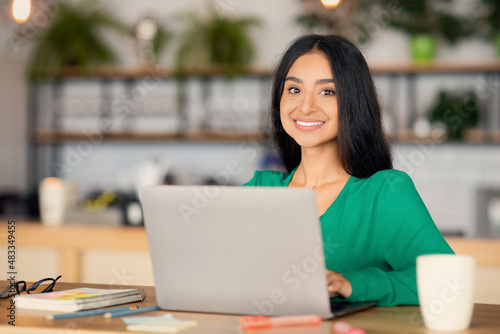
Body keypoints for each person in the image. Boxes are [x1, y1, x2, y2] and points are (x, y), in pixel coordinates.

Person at [244, 34, 454, 307]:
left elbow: (447, 280)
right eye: (294, 90)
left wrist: (352, 283)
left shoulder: (384, 194)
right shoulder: (260, 190)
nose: (305, 106)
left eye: (327, 91)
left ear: (354, 102)